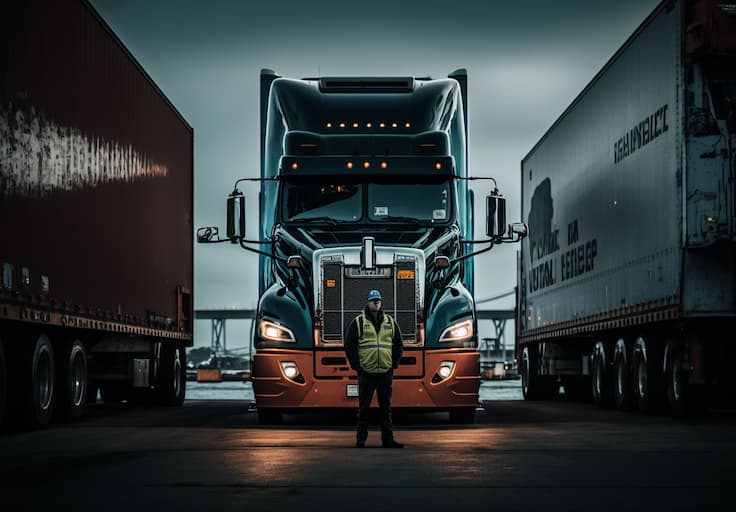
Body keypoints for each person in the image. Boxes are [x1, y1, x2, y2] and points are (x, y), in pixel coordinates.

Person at [344, 289, 404, 448]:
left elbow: (399, 345)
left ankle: (388, 440)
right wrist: (357, 366)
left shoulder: (390, 322)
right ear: (368, 302)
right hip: (367, 373)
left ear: (381, 302)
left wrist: (394, 364)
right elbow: (349, 345)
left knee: (386, 409)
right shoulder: (358, 322)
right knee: (363, 409)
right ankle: (361, 440)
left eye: (378, 300)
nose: (376, 302)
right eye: (373, 300)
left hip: (385, 372)